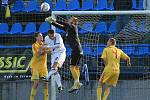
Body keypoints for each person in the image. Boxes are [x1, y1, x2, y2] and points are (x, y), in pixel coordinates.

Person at [45, 16, 83, 93]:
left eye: (70, 19)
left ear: (73, 22)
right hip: (78, 50)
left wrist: (54, 20)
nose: (69, 19)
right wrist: (51, 22)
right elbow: (60, 26)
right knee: (76, 68)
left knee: (72, 67)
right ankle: (77, 84)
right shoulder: (69, 29)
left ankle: (77, 82)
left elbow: (65, 24)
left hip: (76, 50)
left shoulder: (73, 27)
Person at [30, 32, 51, 100]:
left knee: (45, 83)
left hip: (43, 67)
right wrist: (43, 49)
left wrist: (43, 50)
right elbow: (37, 54)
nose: (41, 37)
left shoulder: (45, 44)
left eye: (42, 36)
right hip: (35, 66)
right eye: (40, 36)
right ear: (36, 38)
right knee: (36, 83)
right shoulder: (34, 45)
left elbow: (50, 51)